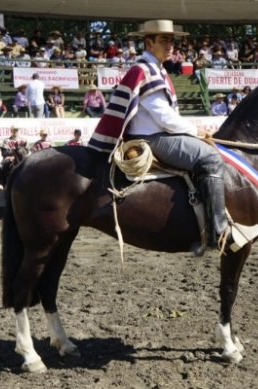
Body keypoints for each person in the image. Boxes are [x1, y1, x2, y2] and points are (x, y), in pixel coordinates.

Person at [86, 19, 230, 251]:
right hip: (154, 138)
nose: (170, 45)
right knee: (211, 158)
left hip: (158, 134)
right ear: (149, 42)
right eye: (164, 40)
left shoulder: (155, 69)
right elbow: (164, 118)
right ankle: (218, 231)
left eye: (172, 40)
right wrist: (197, 131)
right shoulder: (145, 70)